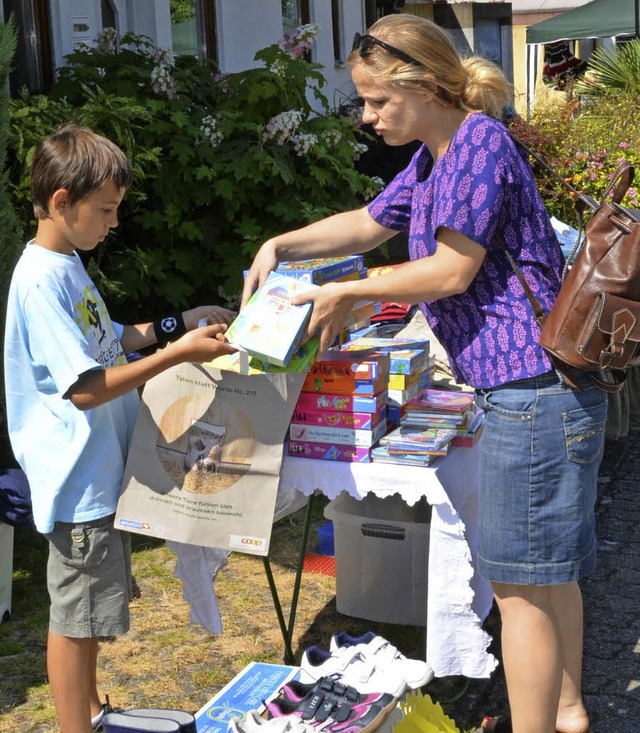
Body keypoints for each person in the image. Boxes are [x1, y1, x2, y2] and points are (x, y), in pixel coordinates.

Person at [241, 14, 604, 733]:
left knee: (519, 590)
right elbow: (369, 222)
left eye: (378, 101)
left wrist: (350, 290)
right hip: (534, 391)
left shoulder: (476, 145)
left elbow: (451, 269)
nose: (368, 117)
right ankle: (567, 713)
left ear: (426, 84)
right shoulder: (440, 152)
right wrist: (280, 244)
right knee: (546, 571)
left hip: (530, 392)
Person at [3, 124, 237, 733]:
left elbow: (107, 345)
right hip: (78, 480)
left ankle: (89, 711)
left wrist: (172, 324)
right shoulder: (41, 281)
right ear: (61, 202)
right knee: (75, 619)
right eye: (105, 210)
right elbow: (84, 387)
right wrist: (180, 354)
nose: (112, 223)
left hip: (99, 471)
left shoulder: (66, 265)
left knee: (88, 613)